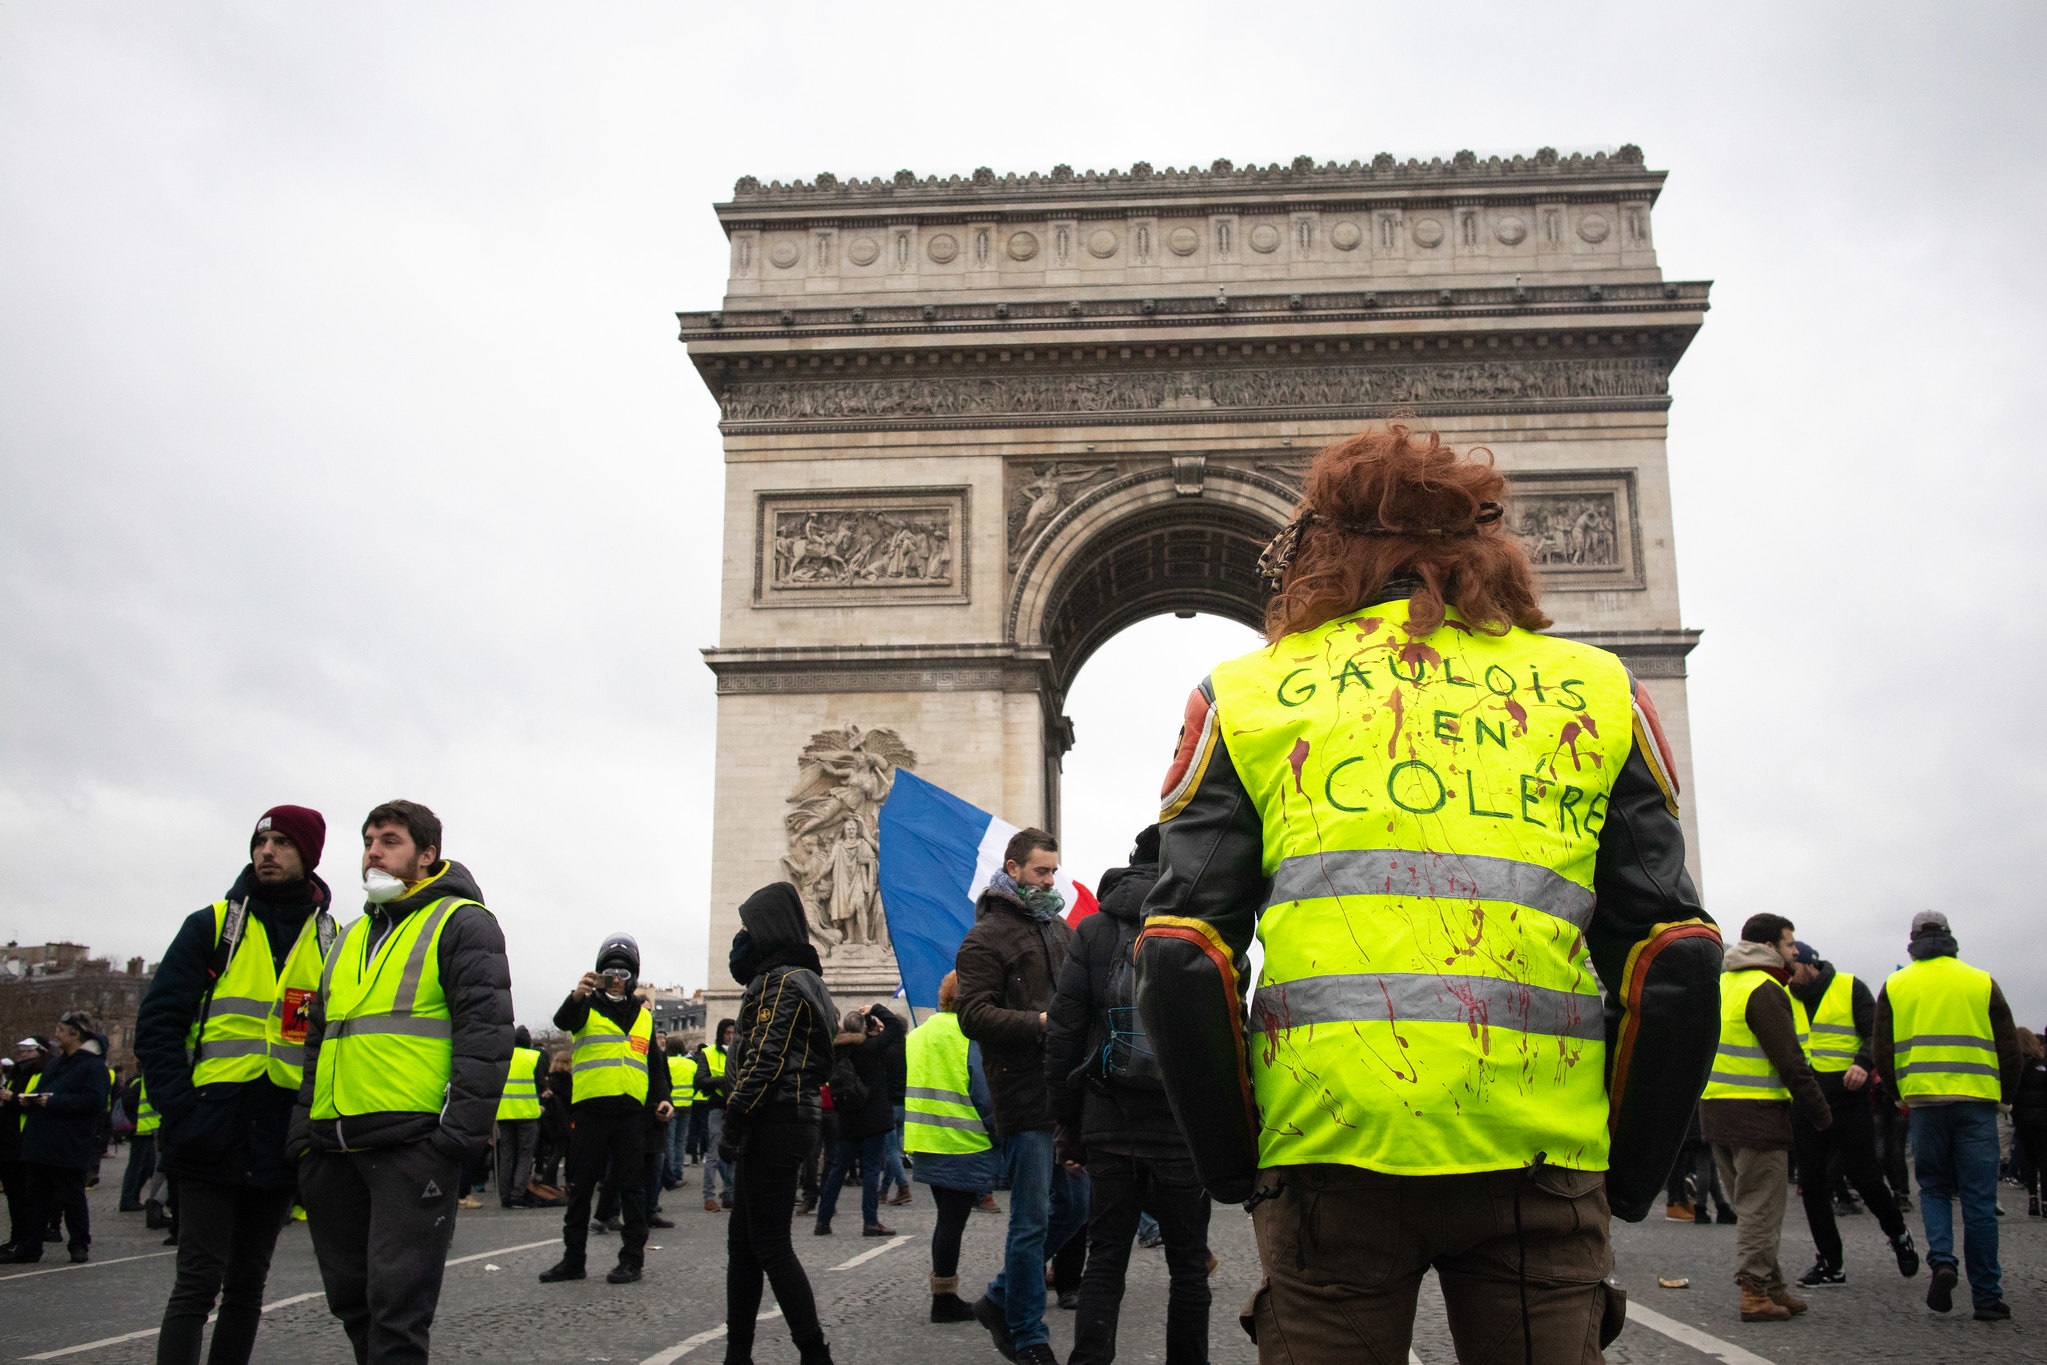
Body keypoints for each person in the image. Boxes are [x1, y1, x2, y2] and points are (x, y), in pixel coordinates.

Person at [1132, 426, 1723, 1363]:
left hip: (1329, 1148)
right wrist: (1631, 1170)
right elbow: (1676, 956)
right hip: (1539, 1153)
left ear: (1316, 550)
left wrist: (1240, 1165)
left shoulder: (1247, 694)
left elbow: (1179, 955)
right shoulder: (1599, 690)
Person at [290, 799, 513, 1365]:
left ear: (427, 855)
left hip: (410, 1149)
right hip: (332, 1148)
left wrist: (454, 1141)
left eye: (389, 840)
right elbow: (318, 1042)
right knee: (352, 1304)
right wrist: (303, 1140)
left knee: (398, 1313)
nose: (373, 851)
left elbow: (485, 1038)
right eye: (368, 840)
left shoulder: (464, 923)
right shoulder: (342, 939)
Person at [132, 805, 339, 1363]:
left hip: (280, 1132)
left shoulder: (333, 938)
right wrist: (182, 1110)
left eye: (281, 842)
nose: (266, 851)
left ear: (309, 854)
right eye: (259, 841)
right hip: (210, 1126)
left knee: (248, 1289)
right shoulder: (214, 923)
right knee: (197, 1285)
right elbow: (157, 1025)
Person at [1047, 824, 1211, 1365]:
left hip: (1109, 1117)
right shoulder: (1201, 925)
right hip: (1180, 1125)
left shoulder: (1093, 931)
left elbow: (1065, 1033)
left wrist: (1068, 1126)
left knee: (1106, 1257)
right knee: (1188, 1266)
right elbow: (1223, 1036)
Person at [956, 827, 1085, 1365]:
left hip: (1064, 1092)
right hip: (1021, 1092)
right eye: (1041, 871)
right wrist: (1040, 1021)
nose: (1051, 880)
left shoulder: (1058, 929)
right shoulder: (983, 939)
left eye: (1054, 870)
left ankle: (1000, 1296)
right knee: (1030, 1219)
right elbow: (972, 1014)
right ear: (1013, 869)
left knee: (1078, 1206)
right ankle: (1028, 1334)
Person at [1876, 910, 2023, 1321]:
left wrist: (1898, 1094)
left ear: (1912, 940)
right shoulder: (1980, 980)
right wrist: (2005, 1097)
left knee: (1935, 1188)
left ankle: (1942, 1261)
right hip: (1977, 1102)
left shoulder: (1897, 984)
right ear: (1949, 937)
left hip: (1923, 1104)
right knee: (1979, 1200)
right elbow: (2009, 1047)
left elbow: (1883, 1050)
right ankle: (1988, 1297)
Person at [722, 883, 840, 1365]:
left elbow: (765, 1061)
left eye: (750, 927)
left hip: (774, 1117)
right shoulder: (803, 978)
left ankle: (814, 1354)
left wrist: (733, 1118)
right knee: (745, 1245)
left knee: (768, 1245)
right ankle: (738, 1353)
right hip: (787, 1114)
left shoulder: (779, 982)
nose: (742, 938)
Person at [1700, 914, 1833, 1322]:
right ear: (1771, 947)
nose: (1795, 951)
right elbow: (1790, 1060)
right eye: (1790, 944)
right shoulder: (1766, 989)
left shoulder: (1726, 984)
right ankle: (1754, 1292)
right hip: (1756, 1113)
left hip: (1716, 1109)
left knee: (1752, 1204)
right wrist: (1821, 1113)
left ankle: (1773, 1287)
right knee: (1761, 1207)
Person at [1784, 939, 1918, 1288]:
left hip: (1848, 1096)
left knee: (1866, 1178)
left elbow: (1876, 1032)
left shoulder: (1849, 987)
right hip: (1806, 1100)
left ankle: (1899, 1235)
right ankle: (1831, 1263)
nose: (1788, 975)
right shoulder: (1785, 995)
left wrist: (1863, 1064)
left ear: (1812, 965)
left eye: (1793, 968)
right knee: (1811, 1184)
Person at [539, 934, 670, 1285]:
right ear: (598, 974)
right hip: (591, 1110)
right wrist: (578, 993)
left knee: (633, 1188)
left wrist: (663, 1097)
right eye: (610, 972)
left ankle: (632, 1260)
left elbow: (654, 1065)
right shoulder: (585, 1006)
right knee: (581, 1188)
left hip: (630, 1114)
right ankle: (573, 1260)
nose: (616, 979)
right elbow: (563, 1020)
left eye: (624, 974)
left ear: (634, 979)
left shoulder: (644, 1018)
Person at [905, 970, 999, 1324]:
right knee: (950, 1224)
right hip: (963, 1140)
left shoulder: (917, 1034)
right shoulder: (968, 1034)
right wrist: (998, 1131)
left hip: (926, 1139)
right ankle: (943, 1300)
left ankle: (943, 1295)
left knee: (947, 1221)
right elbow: (984, 1093)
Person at [0, 1012, 111, 1264]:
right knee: (34, 1198)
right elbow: (44, 1092)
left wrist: (54, 1101)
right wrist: (28, 1100)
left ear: (76, 1034)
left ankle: (79, 1244)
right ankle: (30, 1247)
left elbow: (94, 1102)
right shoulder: (55, 1064)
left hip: (69, 1143)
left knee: (71, 1197)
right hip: (40, 1141)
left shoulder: (93, 1067)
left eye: (61, 1030)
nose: (56, 1034)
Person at [814, 1005, 903, 1236]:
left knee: (837, 1169)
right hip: (872, 1117)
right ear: (864, 1028)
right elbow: (894, 1026)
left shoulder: (835, 1051)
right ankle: (870, 1221)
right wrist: (875, 1009)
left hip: (847, 1117)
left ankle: (823, 1221)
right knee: (872, 1169)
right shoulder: (870, 1048)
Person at [0, 1038, 48, 1253]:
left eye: (29, 1051)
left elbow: (34, 1102)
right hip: (8, 1140)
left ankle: (28, 1239)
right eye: (22, 1050)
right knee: (13, 1194)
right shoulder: (16, 1072)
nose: (24, 1054)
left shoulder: (42, 1072)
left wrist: (12, 1098)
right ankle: (16, 1237)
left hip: (27, 1141)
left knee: (26, 1195)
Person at [496, 1026, 546, 1208]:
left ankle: (505, 1195)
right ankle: (518, 1193)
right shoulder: (533, 1057)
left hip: (504, 1112)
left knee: (506, 1155)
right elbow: (541, 1085)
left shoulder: (503, 1056)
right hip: (526, 1112)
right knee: (525, 1154)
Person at [698, 1018, 736, 1212]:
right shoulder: (708, 1053)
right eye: (727, 1033)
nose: (730, 1037)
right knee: (713, 1153)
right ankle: (709, 1196)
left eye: (733, 1033)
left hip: (736, 1106)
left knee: (733, 1153)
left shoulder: (739, 1052)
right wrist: (723, 1080)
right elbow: (700, 1080)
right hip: (717, 1105)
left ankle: (729, 1194)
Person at [2015, 1028, 2047, 1217]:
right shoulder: (2042, 1065)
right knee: (2044, 1160)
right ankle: (2045, 1200)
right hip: (2043, 1119)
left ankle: (2032, 1199)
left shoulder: (2017, 1067)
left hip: (2022, 1120)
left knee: (2029, 1160)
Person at [662, 1035, 694, 1189]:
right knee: (680, 1141)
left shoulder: (666, 1063)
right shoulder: (690, 1064)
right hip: (687, 1106)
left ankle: (669, 1175)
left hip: (671, 1105)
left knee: (669, 1140)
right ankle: (678, 1172)